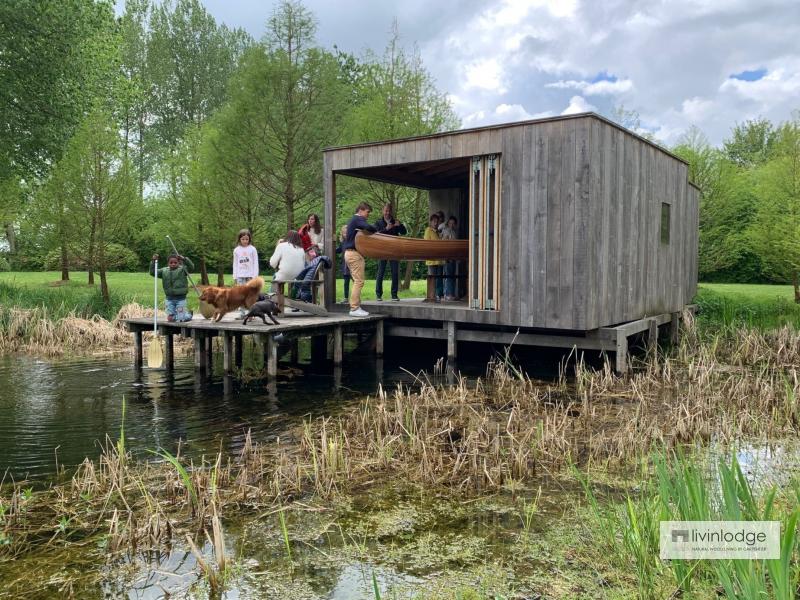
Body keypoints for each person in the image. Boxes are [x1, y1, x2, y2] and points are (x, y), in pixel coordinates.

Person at [342, 201, 377, 317]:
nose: (368, 215)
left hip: (350, 254)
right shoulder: (357, 219)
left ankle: (356, 306)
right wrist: (376, 228)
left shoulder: (355, 221)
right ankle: (354, 308)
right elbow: (368, 227)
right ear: (361, 210)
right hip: (353, 254)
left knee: (356, 281)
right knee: (359, 281)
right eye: (367, 212)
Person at [374, 202, 407, 301]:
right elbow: (375, 235)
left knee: (395, 273)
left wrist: (400, 225)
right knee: (381, 272)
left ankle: (394, 295)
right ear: (382, 211)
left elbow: (404, 232)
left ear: (391, 212)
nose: (387, 213)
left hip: (394, 250)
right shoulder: (378, 222)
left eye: (389, 211)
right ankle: (378, 295)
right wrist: (386, 229)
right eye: (385, 210)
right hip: (382, 250)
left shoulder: (395, 221)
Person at [149, 253, 194, 322]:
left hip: (180, 299)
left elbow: (191, 267)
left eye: (175, 262)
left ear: (179, 263)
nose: (173, 264)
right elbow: (152, 272)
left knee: (181, 318)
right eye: (171, 262)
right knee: (170, 318)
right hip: (169, 299)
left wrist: (184, 259)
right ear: (168, 263)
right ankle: (182, 315)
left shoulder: (182, 270)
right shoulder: (164, 271)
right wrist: (153, 261)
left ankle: (188, 315)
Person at [233, 229, 259, 316]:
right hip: (240, 275)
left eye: (246, 239)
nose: (245, 241)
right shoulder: (236, 250)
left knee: (250, 295)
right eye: (243, 239)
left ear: (249, 239)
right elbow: (235, 264)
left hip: (250, 276)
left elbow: (256, 263)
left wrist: (255, 276)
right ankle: (242, 313)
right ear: (239, 239)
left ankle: (251, 312)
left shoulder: (253, 249)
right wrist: (235, 277)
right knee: (240, 295)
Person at [424, 214, 445, 301]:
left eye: (437, 222)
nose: (436, 223)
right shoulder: (428, 230)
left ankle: (439, 295)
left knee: (439, 278)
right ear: (431, 222)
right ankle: (432, 296)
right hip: (432, 260)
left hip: (439, 260)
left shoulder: (437, 232)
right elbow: (426, 243)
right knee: (433, 279)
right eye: (434, 221)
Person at [440, 216, 458, 301]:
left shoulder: (454, 232)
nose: (451, 225)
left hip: (453, 255)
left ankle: (451, 293)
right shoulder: (446, 230)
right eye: (450, 223)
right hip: (448, 255)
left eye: (453, 223)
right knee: (449, 275)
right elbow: (444, 242)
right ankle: (448, 294)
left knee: (452, 275)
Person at [335, 224, 351, 302]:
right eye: (344, 233)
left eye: (347, 233)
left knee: (356, 281)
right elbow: (338, 250)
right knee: (346, 282)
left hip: (352, 264)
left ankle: (356, 297)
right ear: (342, 234)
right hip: (345, 265)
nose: (346, 234)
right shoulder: (343, 243)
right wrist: (331, 249)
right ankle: (346, 297)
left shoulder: (352, 241)